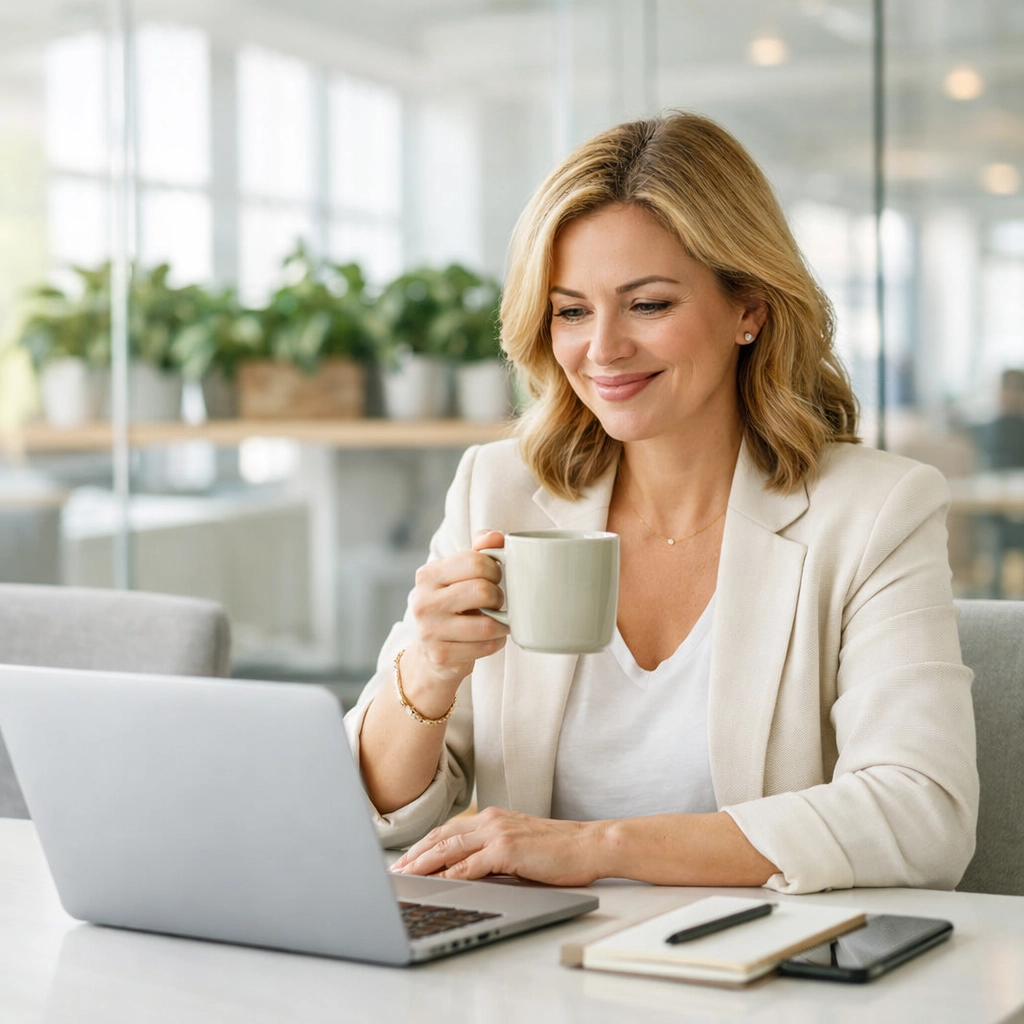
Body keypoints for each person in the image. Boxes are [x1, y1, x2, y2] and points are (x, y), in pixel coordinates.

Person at [344, 112, 978, 895]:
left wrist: (598, 847)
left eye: (647, 305)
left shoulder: (875, 511)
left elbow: (923, 816)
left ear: (749, 307)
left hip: (757, 977)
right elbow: (383, 809)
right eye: (571, 310)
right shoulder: (499, 488)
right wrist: (429, 670)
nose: (602, 349)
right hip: (531, 974)